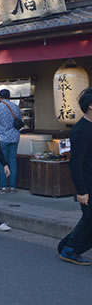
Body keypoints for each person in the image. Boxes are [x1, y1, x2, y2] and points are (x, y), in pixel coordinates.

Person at [58, 88, 92, 265]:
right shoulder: (80, 131)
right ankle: (69, 249)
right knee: (89, 218)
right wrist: (81, 191)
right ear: (90, 106)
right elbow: (75, 163)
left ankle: (68, 246)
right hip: (87, 183)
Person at [0, 89, 22, 193]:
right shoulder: (16, 107)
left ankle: (3, 186)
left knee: (2, 162)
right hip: (14, 137)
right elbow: (19, 119)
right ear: (9, 96)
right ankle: (13, 186)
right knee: (13, 161)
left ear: (0, 97)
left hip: (1, 137)